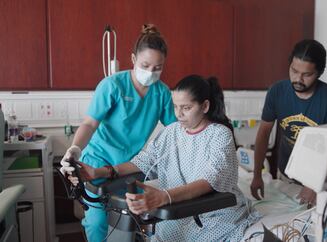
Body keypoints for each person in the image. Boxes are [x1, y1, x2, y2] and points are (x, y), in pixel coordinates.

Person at [64, 75, 261, 241]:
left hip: (215, 217)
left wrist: (163, 197)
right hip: (176, 215)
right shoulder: (172, 132)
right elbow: (144, 161)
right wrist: (100, 172)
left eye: (186, 108)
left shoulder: (220, 135)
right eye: (176, 107)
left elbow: (210, 181)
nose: (179, 114)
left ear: (205, 106)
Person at [60, 24, 176, 242]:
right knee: (97, 223)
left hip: (128, 168)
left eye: (158, 68)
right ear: (133, 59)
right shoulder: (112, 86)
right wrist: (75, 148)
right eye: (145, 65)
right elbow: (89, 124)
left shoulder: (162, 93)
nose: (151, 72)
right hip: (97, 161)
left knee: (135, 220)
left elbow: (176, 131)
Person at [250, 39, 327, 206]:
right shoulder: (277, 92)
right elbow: (264, 133)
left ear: (320, 72)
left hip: (320, 177)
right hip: (287, 173)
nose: (298, 79)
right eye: (294, 71)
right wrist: (257, 174)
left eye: (307, 74)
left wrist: (314, 184)